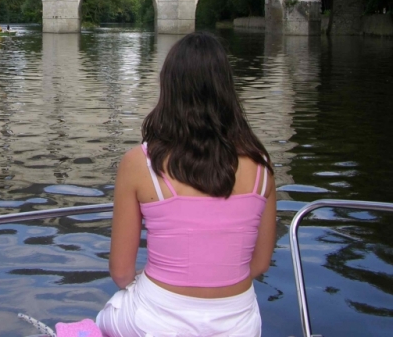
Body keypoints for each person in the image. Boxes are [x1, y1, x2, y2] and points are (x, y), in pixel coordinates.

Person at [97, 32, 276, 337]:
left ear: (169, 87)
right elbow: (258, 265)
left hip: (157, 322)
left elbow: (122, 273)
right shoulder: (261, 166)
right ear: (227, 89)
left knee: (106, 317)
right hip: (239, 324)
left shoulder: (140, 163)